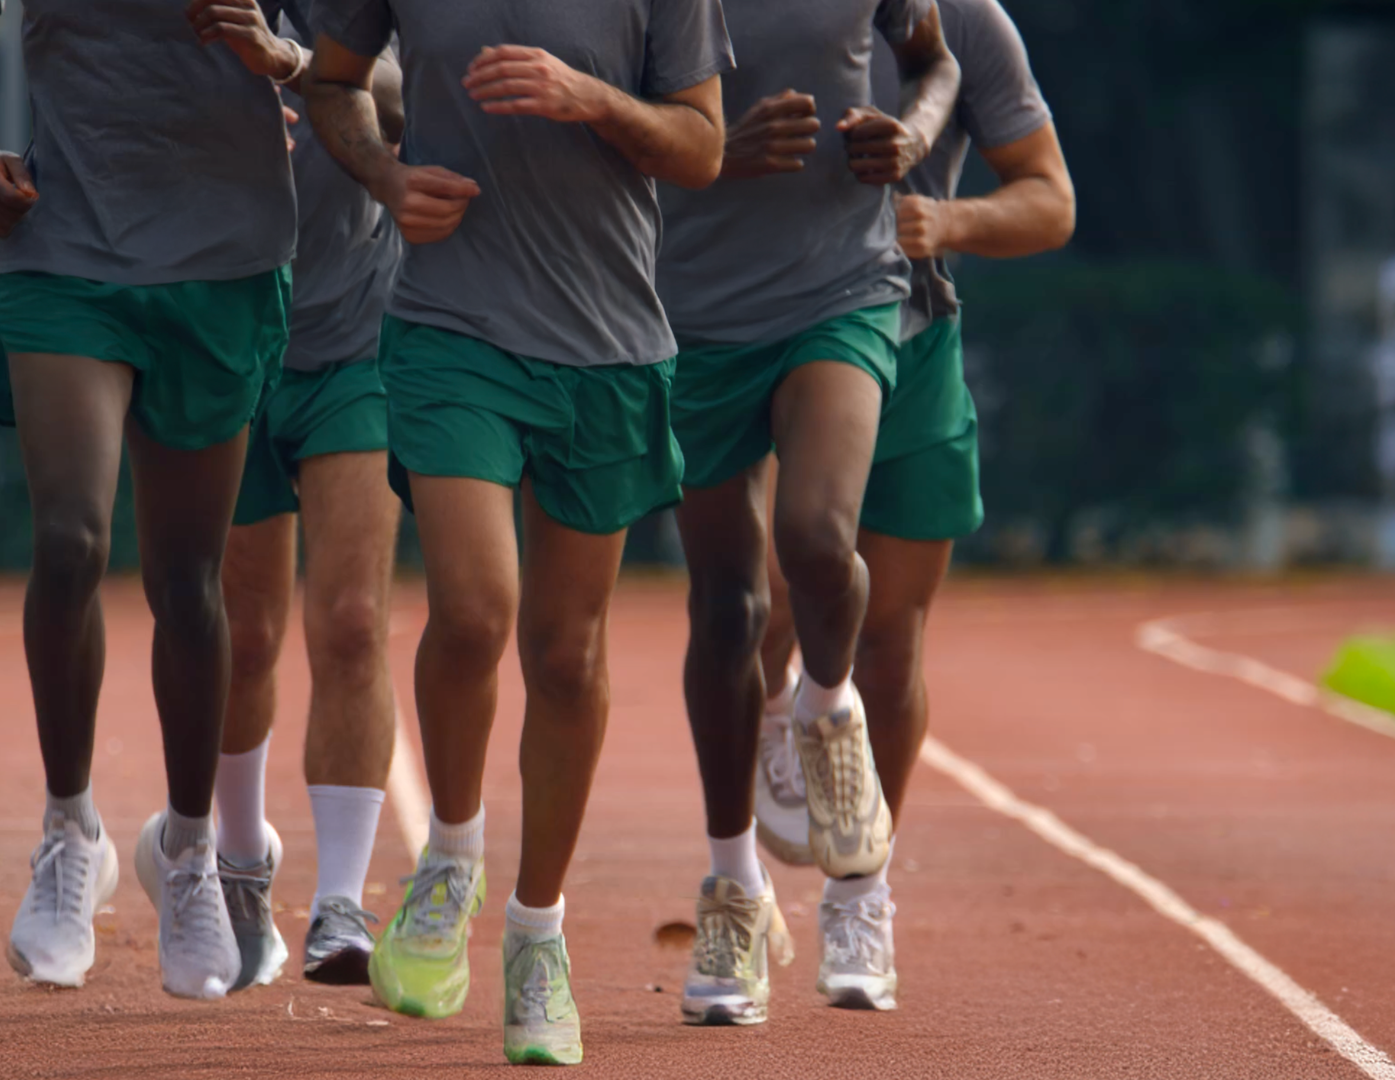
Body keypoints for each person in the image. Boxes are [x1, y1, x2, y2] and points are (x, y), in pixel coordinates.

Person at [303, 0, 732, 1063]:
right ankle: (451, 858)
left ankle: (538, 934)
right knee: (473, 608)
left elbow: (702, 146)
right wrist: (386, 178)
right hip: (453, 329)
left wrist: (591, 99)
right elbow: (332, 80)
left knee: (567, 652)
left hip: (608, 345)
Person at [0, 0, 295, 1000]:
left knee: (188, 580)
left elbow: (360, 54)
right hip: (65, 243)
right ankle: (68, 832)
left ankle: (190, 852)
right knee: (70, 541)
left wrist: (284, 58)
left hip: (223, 259)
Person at [753, 0, 1075, 1011]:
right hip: (763, 332)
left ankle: (860, 894)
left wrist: (948, 221)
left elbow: (1051, 199)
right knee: (762, 606)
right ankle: (746, 837)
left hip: (913, 338)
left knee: (890, 644)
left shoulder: (964, 24)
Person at [656, 0, 960, 1027]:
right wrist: (709, 150)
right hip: (693, 312)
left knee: (820, 543)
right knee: (727, 612)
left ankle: (828, 714)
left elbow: (935, 62)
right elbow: (595, 129)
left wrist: (912, 133)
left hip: (843, 285)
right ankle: (735, 890)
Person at [183, 0, 408, 990]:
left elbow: (409, 89)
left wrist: (291, 62)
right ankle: (240, 866)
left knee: (354, 621)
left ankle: (343, 903)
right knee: (247, 631)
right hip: (227, 327)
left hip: (357, 335)